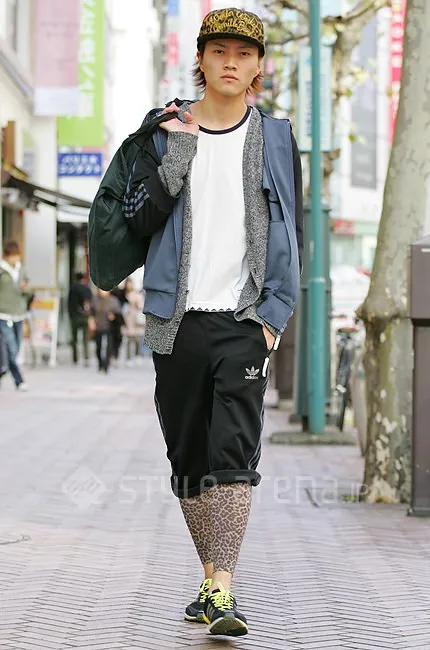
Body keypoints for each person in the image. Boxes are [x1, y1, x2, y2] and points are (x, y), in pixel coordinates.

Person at [122, 7, 303, 637]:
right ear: (200, 58)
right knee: (189, 455)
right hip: (176, 319)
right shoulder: (164, 131)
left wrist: (273, 316)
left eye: (244, 53)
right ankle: (209, 580)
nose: (231, 62)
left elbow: (292, 230)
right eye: (219, 51)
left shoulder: (275, 137)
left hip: (245, 319)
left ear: (258, 66)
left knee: (233, 452)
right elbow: (139, 220)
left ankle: (223, 587)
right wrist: (178, 153)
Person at [0, 241, 31, 391]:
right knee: (11, 348)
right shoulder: (1, 270)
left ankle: (3, 370)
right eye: (12, 256)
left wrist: (26, 289)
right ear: (6, 256)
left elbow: (28, 290)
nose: (15, 259)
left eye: (17, 255)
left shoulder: (21, 269)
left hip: (19, 313)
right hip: (3, 314)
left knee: (15, 348)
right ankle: (19, 380)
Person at [89, 289, 121, 373]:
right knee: (98, 345)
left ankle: (106, 364)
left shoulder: (114, 300)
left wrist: (114, 317)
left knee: (109, 346)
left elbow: (119, 314)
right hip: (98, 325)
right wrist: (91, 322)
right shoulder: (95, 299)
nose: (102, 292)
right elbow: (91, 312)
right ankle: (100, 363)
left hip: (109, 327)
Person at [67, 272, 93, 365]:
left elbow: (69, 303)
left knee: (74, 339)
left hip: (74, 316)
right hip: (84, 316)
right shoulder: (86, 288)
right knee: (85, 339)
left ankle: (75, 358)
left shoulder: (72, 288)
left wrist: (70, 314)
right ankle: (86, 358)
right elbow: (89, 303)